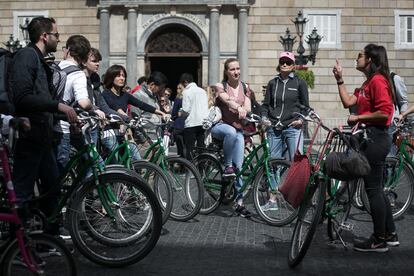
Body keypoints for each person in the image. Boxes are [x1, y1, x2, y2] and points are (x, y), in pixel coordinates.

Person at [9, 16, 77, 234]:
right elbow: (23, 98)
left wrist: (67, 117)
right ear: (44, 36)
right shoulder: (26, 57)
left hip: (42, 136)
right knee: (22, 192)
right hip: (29, 136)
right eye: (56, 35)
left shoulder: (39, 60)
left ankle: (48, 237)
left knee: (52, 186)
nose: (59, 40)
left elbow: (43, 103)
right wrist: (59, 106)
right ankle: (16, 244)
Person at [333, 43, 398, 252]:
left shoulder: (378, 81)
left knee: (373, 191)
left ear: (370, 60)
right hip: (371, 139)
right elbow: (347, 102)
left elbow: (385, 112)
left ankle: (379, 239)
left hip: (376, 139)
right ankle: (390, 234)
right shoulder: (367, 83)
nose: (356, 58)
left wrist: (359, 117)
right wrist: (339, 79)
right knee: (376, 189)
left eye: (360, 55)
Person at [260, 51, 309, 211]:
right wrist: (264, 118)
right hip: (275, 127)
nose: (284, 64)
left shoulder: (300, 83)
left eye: (288, 61)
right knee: (274, 164)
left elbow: (306, 106)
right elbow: (265, 105)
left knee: (296, 163)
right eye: (282, 61)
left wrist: (301, 120)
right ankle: (272, 199)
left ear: (293, 65)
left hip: (292, 127)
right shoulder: (273, 83)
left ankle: (296, 199)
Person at [211, 58, 252, 218]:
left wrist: (244, 109)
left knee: (240, 168)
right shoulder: (220, 86)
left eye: (238, 68)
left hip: (238, 130)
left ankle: (239, 202)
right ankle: (227, 165)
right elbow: (226, 100)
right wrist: (238, 107)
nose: (236, 72)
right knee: (231, 132)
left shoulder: (245, 87)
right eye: (232, 69)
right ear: (226, 72)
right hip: (220, 126)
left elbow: (248, 106)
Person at [101, 65, 167, 160]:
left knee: (137, 158)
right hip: (110, 132)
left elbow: (142, 105)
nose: (122, 78)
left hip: (123, 133)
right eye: (118, 76)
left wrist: (161, 113)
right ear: (111, 77)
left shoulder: (125, 95)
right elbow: (116, 108)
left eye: (123, 76)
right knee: (114, 161)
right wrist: (127, 118)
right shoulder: (106, 93)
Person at [54, 35, 92, 172]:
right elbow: (83, 102)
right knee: (61, 174)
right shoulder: (78, 74)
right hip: (62, 128)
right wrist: (93, 108)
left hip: (48, 123)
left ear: (68, 50)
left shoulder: (55, 66)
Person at [130, 71, 168, 141]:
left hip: (157, 138)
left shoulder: (154, 96)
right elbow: (134, 119)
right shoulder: (138, 95)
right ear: (152, 84)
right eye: (160, 88)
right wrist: (144, 140)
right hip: (145, 141)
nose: (161, 90)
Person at [180, 73, 209, 160]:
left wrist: (180, 114)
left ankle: (190, 169)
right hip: (202, 122)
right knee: (201, 147)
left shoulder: (186, 92)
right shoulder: (202, 91)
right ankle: (202, 168)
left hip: (191, 123)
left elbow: (186, 109)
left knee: (190, 148)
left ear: (185, 82)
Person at [388, 71, 408, 155]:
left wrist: (401, 118)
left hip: (392, 124)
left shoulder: (394, 78)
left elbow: (403, 102)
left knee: (389, 157)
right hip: (376, 126)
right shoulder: (371, 78)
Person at [170, 83, 186, 157]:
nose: (177, 90)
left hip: (178, 126)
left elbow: (173, 113)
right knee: (187, 147)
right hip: (187, 125)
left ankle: (181, 165)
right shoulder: (188, 98)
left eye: (179, 88)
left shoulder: (178, 99)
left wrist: (175, 115)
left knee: (180, 148)